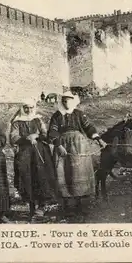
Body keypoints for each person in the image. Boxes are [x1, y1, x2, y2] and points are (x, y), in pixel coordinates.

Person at [47, 91, 107, 220]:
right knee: (65, 174)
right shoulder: (57, 116)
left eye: (68, 100)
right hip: (63, 147)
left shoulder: (79, 114)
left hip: (80, 146)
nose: (66, 103)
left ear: (73, 101)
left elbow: (89, 127)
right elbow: (52, 132)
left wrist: (98, 139)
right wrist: (58, 145)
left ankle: (82, 207)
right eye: (64, 100)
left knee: (80, 173)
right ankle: (69, 208)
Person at [10, 98, 59, 220]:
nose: (29, 110)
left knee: (41, 176)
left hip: (40, 152)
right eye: (26, 107)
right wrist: (26, 138)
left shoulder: (38, 119)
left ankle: (42, 206)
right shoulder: (17, 121)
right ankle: (31, 205)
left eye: (31, 107)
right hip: (25, 153)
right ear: (22, 108)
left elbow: (45, 134)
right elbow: (13, 137)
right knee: (27, 176)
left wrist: (36, 136)